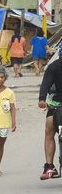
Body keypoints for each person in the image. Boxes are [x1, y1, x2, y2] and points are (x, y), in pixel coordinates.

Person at [38, 45, 62, 180]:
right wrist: (42, 99)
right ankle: (49, 166)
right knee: (49, 129)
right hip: (57, 103)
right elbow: (45, 84)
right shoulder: (53, 67)